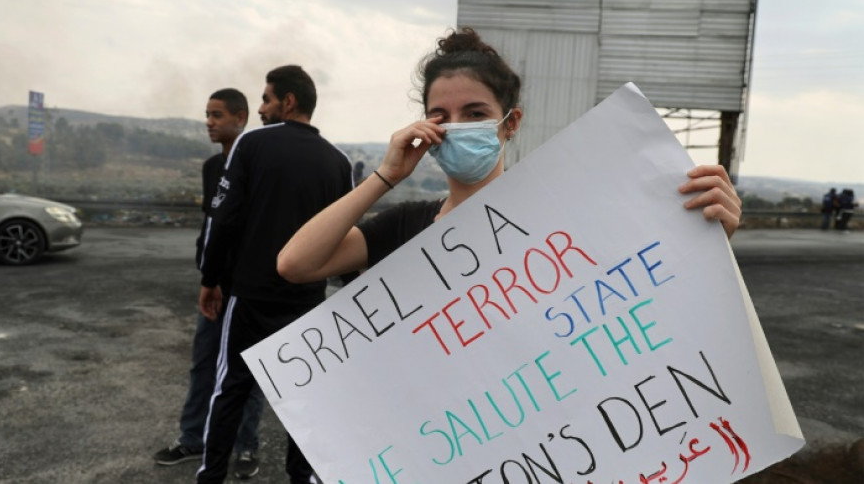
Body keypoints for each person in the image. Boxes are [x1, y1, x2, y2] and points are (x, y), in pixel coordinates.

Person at [277, 27, 742, 292]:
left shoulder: (563, 217)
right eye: (441, 116)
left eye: (475, 113)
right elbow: (295, 265)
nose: (456, 126)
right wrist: (385, 176)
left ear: (511, 122)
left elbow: (651, 289)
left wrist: (708, 236)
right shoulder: (405, 227)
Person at [195, 66, 354, 484]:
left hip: (249, 297)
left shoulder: (251, 145)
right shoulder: (338, 163)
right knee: (304, 397)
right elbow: (346, 238)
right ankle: (300, 479)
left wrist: (209, 279)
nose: (261, 108)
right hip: (304, 303)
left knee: (230, 390)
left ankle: (210, 477)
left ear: (288, 102)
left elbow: (222, 220)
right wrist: (356, 294)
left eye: (266, 99)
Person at [154, 88, 265, 479]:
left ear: (240, 117)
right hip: (215, 285)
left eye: (217, 115)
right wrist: (209, 274)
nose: (209, 122)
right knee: (204, 364)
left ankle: (246, 447)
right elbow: (212, 226)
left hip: (246, 288)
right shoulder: (210, 168)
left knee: (246, 371)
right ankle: (192, 439)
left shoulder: (257, 166)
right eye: (207, 114)